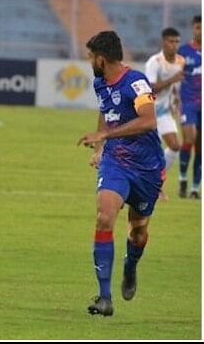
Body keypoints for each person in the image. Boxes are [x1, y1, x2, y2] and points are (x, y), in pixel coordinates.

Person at [78, 31, 164, 317]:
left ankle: (131, 265)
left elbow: (149, 121)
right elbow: (106, 113)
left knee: (138, 232)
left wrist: (106, 133)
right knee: (104, 216)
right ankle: (104, 298)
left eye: (91, 57)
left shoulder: (136, 82)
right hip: (115, 162)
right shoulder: (100, 83)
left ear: (101, 59)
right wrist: (102, 146)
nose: (89, 61)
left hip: (147, 168)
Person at [144, 27, 185, 181]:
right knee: (146, 152)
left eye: (177, 42)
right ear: (163, 42)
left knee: (175, 146)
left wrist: (176, 100)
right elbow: (150, 88)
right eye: (171, 41)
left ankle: (157, 179)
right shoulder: (154, 62)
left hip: (164, 112)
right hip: (149, 111)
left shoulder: (181, 61)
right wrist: (172, 80)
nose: (174, 45)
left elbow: (176, 87)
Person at [177, 15, 202, 199]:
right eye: (197, 28)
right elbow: (175, 75)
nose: (200, 31)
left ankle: (194, 188)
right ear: (193, 29)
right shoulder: (183, 52)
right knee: (190, 137)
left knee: (200, 146)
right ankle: (183, 178)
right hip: (188, 103)